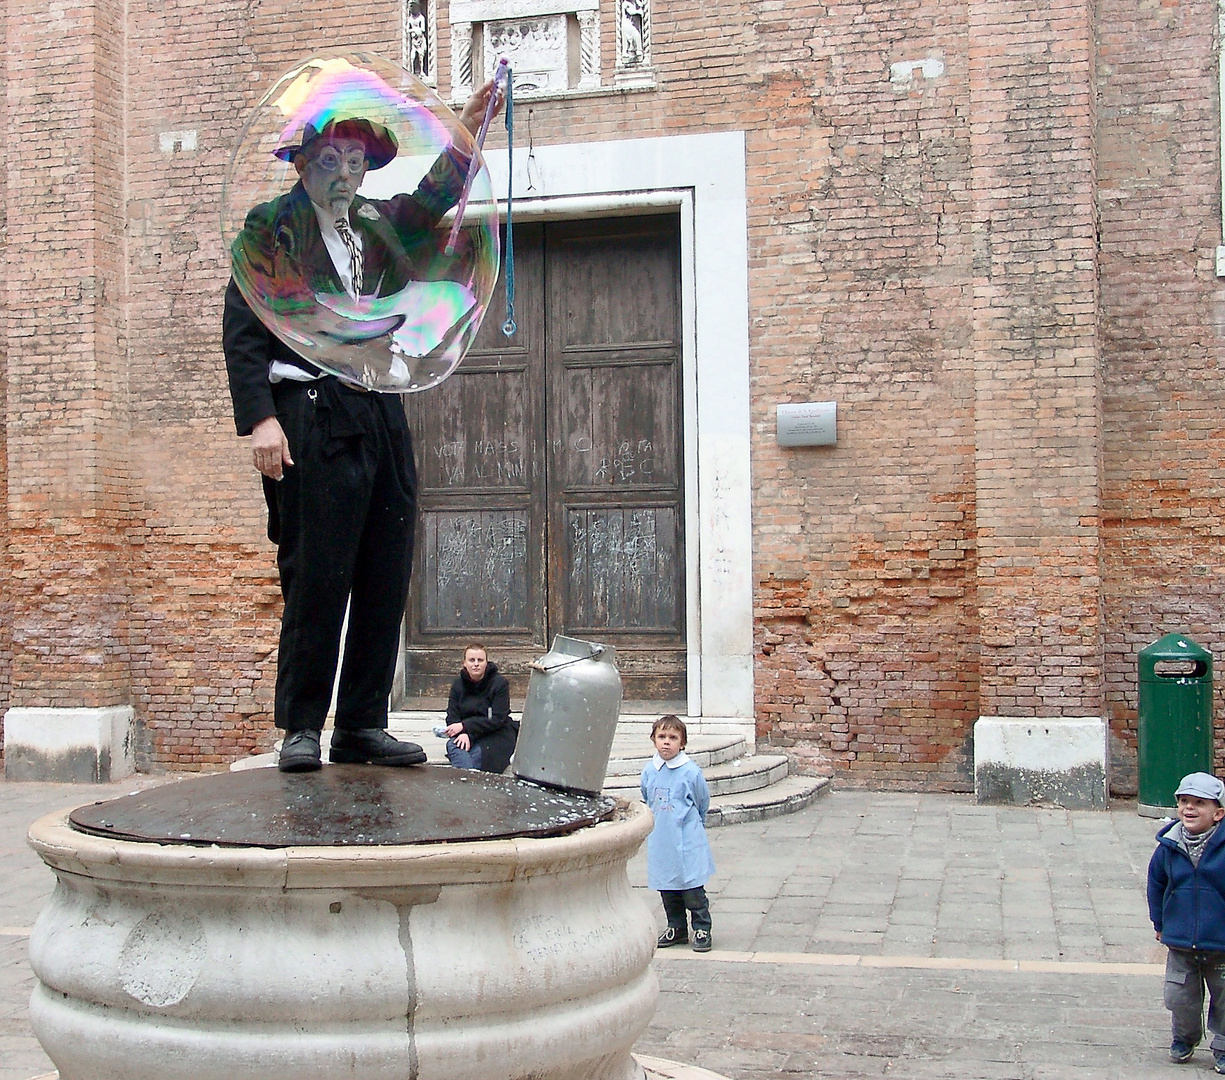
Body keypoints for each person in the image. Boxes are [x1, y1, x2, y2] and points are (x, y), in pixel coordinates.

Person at [223, 81, 500, 773]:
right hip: (311, 414)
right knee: (317, 575)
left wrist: (466, 132)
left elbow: (431, 202)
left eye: (354, 160)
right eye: (331, 159)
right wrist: (261, 418)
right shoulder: (270, 228)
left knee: (384, 569)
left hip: (380, 405)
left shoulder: (376, 222)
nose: (344, 173)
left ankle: (361, 724)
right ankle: (302, 727)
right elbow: (242, 332)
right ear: (303, 161)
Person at [1147, 771, 1225, 1071]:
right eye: (1183, 801)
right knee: (1180, 997)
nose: (1189, 808)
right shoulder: (1169, 846)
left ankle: (1222, 1045)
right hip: (1180, 940)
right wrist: (1159, 922)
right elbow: (1156, 884)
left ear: (1218, 813)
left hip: (1221, 942)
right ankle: (1185, 1037)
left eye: (1198, 803)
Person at [640, 715, 715, 952]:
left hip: (687, 837)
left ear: (682, 743)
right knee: (668, 886)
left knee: (692, 887)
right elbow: (647, 797)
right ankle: (677, 927)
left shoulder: (690, 772)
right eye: (661, 737)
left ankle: (701, 927)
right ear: (654, 740)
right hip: (662, 838)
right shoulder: (650, 770)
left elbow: (701, 800)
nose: (666, 743)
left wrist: (696, 823)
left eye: (673, 738)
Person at [440, 643, 517, 772]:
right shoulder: (458, 684)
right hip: (464, 735)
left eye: (480, 660)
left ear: (486, 663)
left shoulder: (499, 684)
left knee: (476, 756)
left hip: (495, 734)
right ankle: (470, 777)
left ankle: (467, 778)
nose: (476, 664)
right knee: (454, 745)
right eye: (471, 660)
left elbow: (497, 720)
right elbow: (452, 717)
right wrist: (463, 733)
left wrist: (465, 727)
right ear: (464, 663)